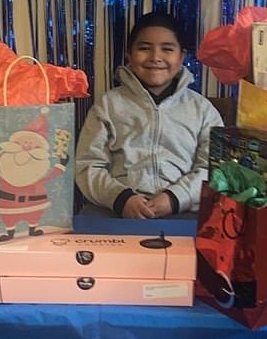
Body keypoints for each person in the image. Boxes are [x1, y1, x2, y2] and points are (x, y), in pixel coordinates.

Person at [75, 11, 223, 219]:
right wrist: (121, 199)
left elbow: (213, 169)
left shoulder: (202, 110)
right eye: (144, 48)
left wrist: (175, 198)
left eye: (167, 49)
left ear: (181, 56)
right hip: (115, 213)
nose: (155, 57)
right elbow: (87, 165)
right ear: (129, 54)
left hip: (186, 213)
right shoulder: (108, 105)